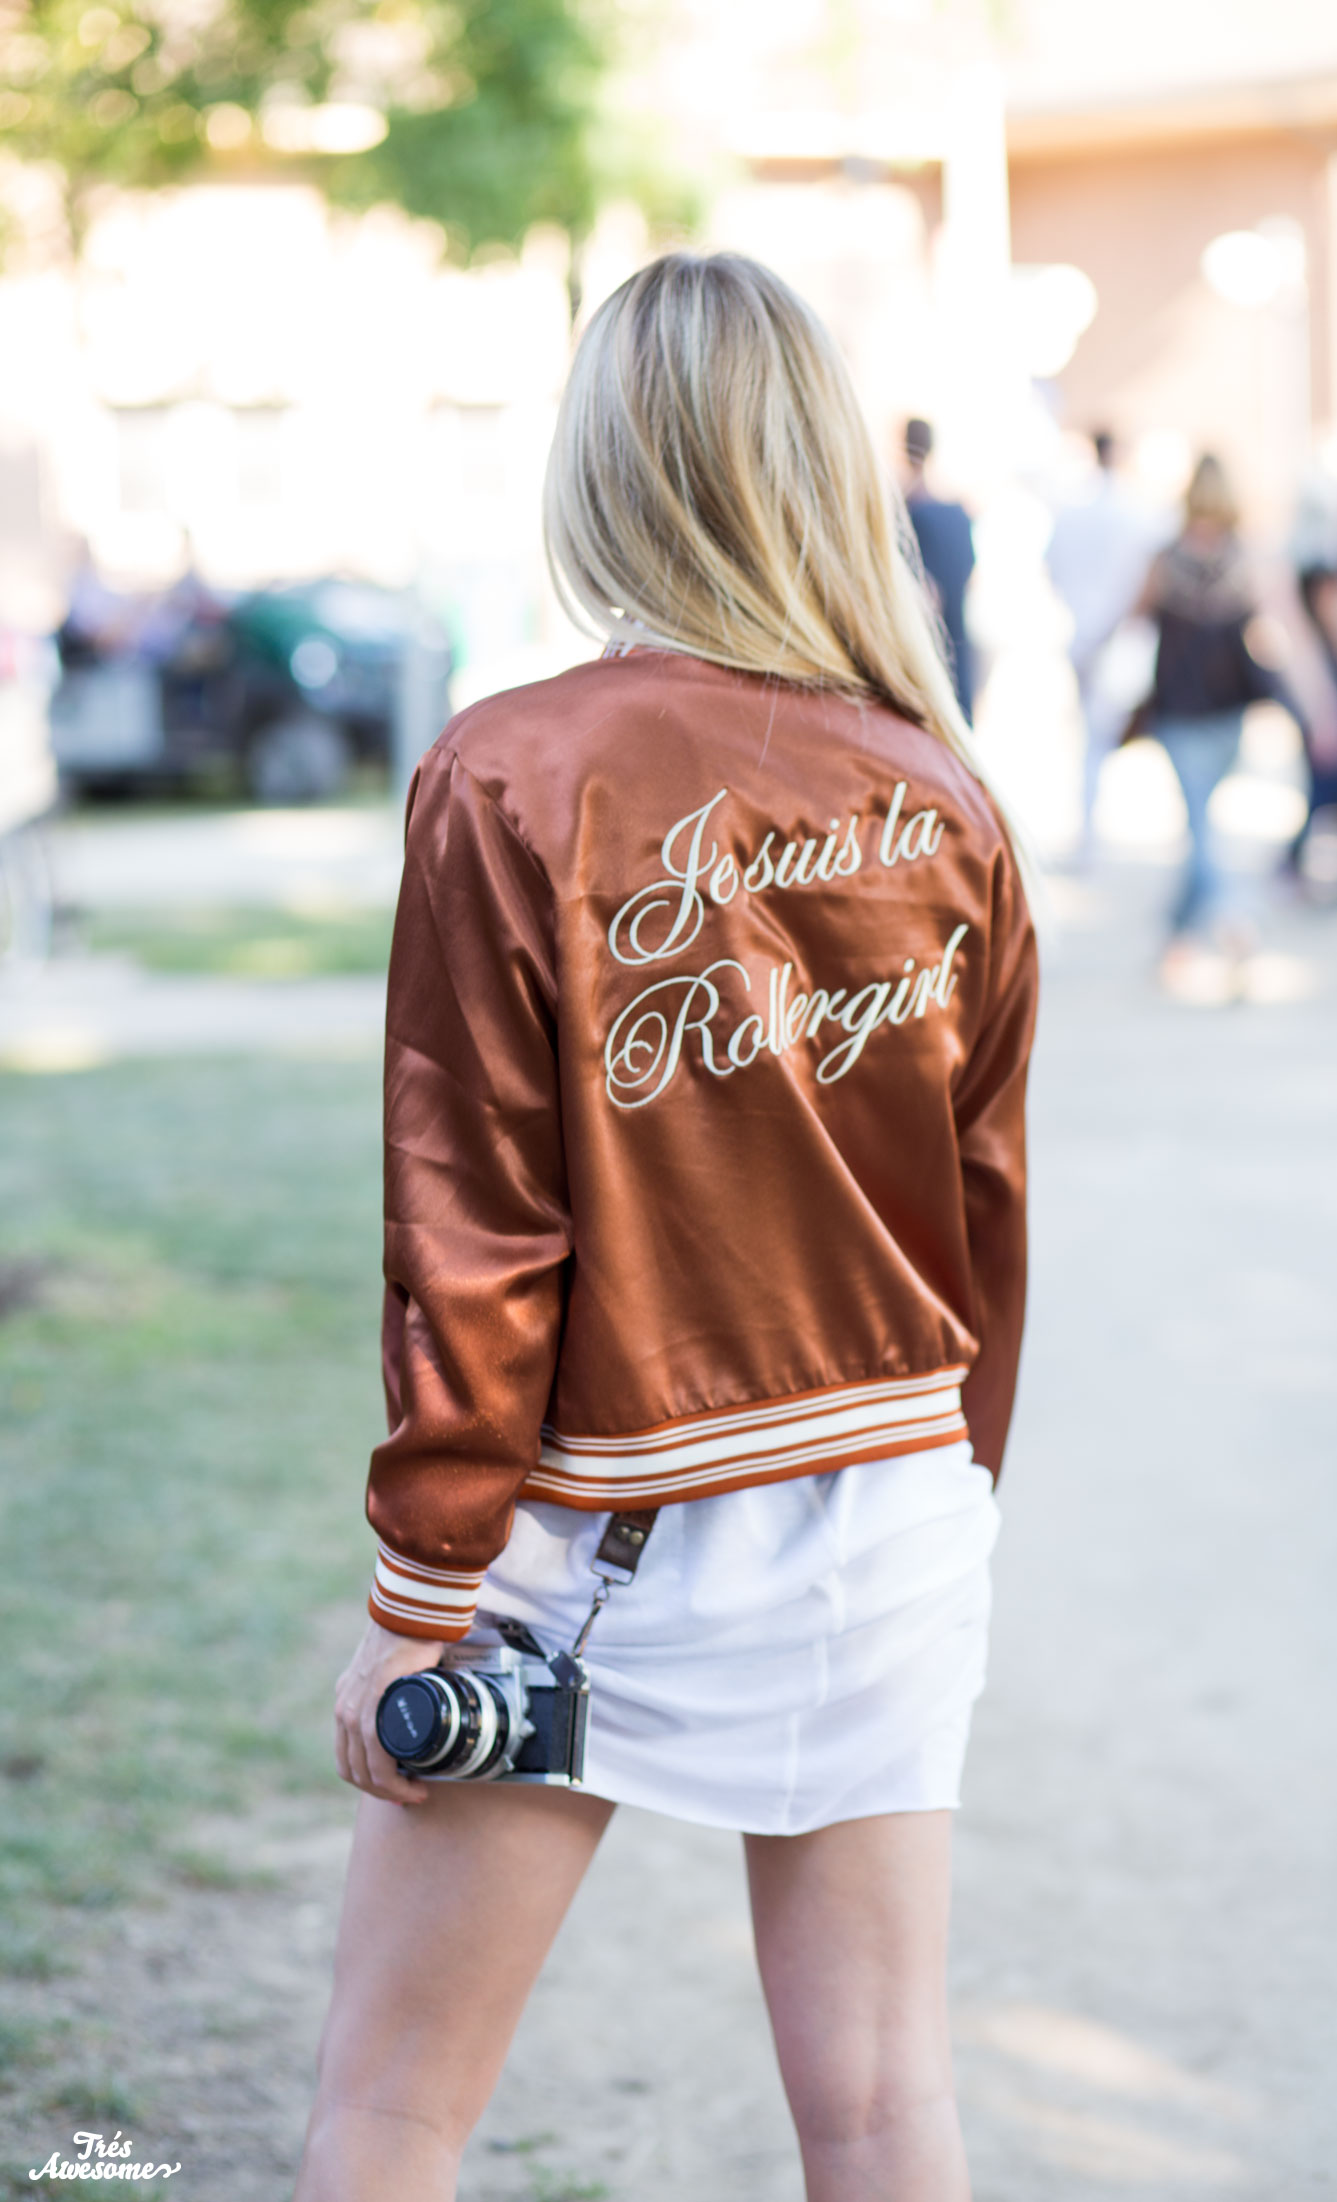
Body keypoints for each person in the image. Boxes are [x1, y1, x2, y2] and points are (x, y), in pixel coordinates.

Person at [296, 254, 1037, 2202]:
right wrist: (953, 1490)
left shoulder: (507, 769)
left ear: (602, 466)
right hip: (892, 1505)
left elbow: (475, 1227)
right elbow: (983, 1212)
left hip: (605, 1519)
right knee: (880, 2107)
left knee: (389, 2109)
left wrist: (416, 1596)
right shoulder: (944, 794)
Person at [1137, 454, 1286, 972]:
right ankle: (1192, 930)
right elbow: (1274, 632)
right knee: (1201, 823)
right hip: (1226, 711)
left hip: (1182, 710)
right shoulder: (1245, 560)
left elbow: (1131, 616)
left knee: (1199, 824)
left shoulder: (1167, 560)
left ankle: (1225, 918)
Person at [1045, 429, 1164, 863]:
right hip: (1121, 637)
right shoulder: (1139, 511)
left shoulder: (1074, 510)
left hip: (1088, 633)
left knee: (1094, 736)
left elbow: (1052, 567)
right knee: (1109, 733)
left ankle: (1091, 831)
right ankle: (1096, 830)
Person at [901, 417, 977, 721]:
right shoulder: (956, 513)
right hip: (958, 650)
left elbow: (926, 594)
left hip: (927, 659)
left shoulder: (907, 513)